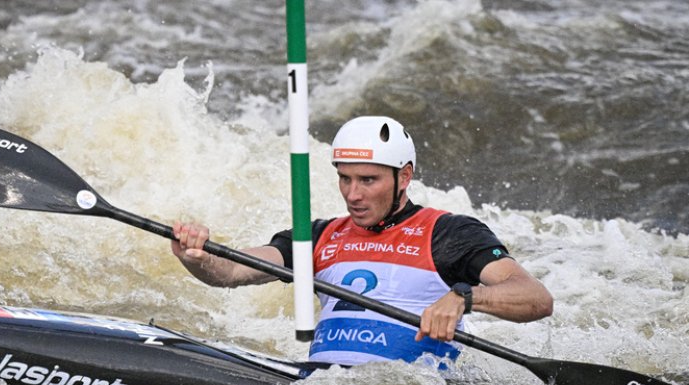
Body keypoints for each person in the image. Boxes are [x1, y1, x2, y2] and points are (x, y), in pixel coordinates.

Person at [171, 116, 553, 366]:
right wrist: (196, 255)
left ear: (404, 177)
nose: (353, 194)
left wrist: (465, 298)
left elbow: (535, 298)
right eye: (345, 178)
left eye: (368, 180)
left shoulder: (448, 234)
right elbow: (233, 270)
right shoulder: (318, 236)